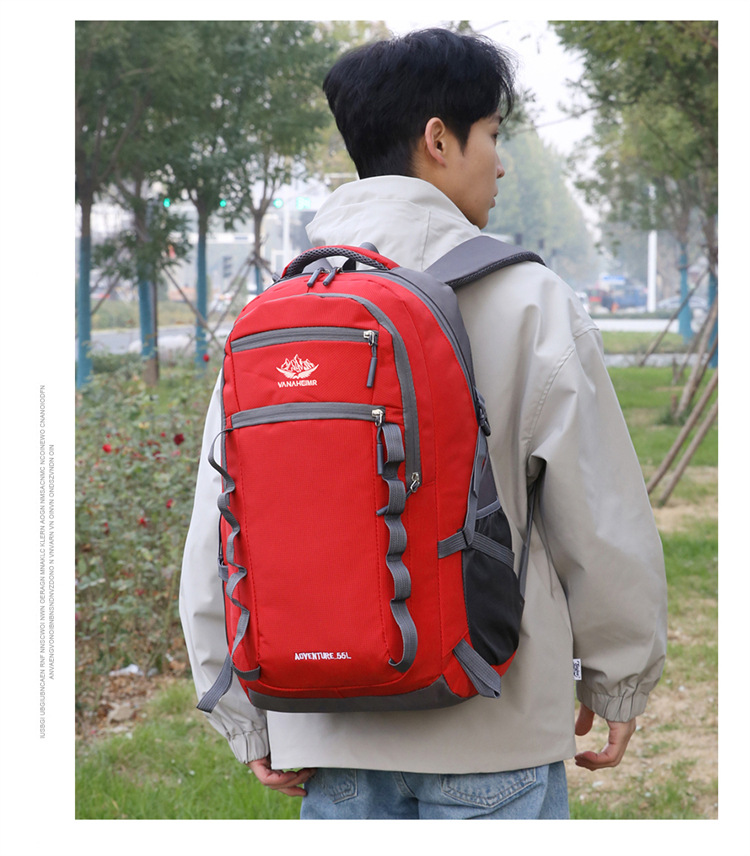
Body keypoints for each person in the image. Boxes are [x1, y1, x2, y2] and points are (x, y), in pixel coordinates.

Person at [179, 27, 667, 820]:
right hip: (494, 725)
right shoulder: (531, 301)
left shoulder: (282, 314)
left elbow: (222, 522)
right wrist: (620, 678)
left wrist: (243, 714)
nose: (501, 164)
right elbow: (598, 512)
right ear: (439, 140)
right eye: (493, 135)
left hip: (331, 730)